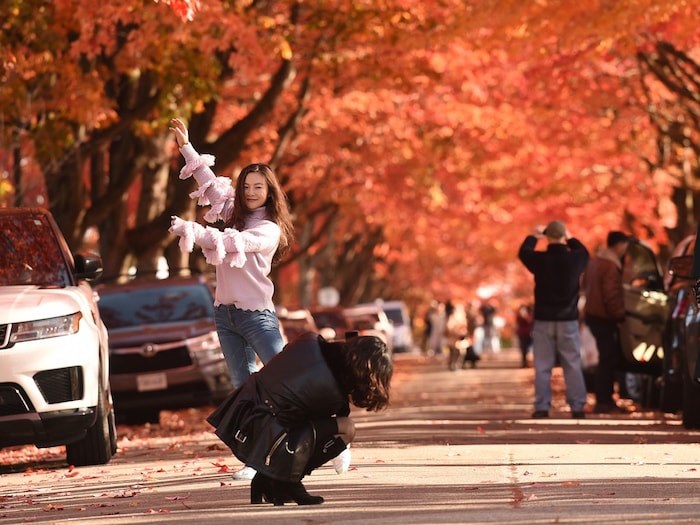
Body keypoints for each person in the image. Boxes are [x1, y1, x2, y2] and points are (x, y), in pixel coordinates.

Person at [168, 118, 294, 480]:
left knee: (288, 381)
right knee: (244, 391)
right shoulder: (233, 214)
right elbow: (207, 182)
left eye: (259, 187)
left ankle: (334, 439)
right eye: (246, 186)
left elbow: (226, 244)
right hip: (226, 316)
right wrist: (186, 146)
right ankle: (257, 459)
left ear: (270, 192)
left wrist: (191, 230)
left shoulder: (266, 230)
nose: (252, 192)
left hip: (258, 317)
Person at [206, 332, 393, 506]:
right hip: (263, 433)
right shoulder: (330, 392)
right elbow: (301, 430)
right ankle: (288, 481)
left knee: (312, 425)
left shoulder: (310, 340)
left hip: (242, 415)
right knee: (346, 428)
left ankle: (267, 479)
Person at [518, 220, 589, 419]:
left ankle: (542, 406)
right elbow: (584, 251)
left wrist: (534, 236)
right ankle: (577, 406)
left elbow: (524, 252)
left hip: (544, 319)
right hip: (568, 319)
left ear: (547, 236)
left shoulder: (540, 260)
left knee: (542, 365)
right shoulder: (576, 259)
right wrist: (570, 237)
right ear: (563, 236)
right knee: (572, 363)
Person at [582, 231, 631, 414]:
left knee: (606, 357)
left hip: (593, 315)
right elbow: (611, 294)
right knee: (608, 358)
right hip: (604, 317)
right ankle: (604, 400)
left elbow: (584, 284)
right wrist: (619, 315)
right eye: (625, 245)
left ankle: (604, 399)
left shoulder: (594, 262)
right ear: (619, 245)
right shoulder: (610, 265)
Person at [515, 304, 534, 368]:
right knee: (524, 349)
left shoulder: (531, 315)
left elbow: (530, 322)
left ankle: (533, 362)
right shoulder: (519, 316)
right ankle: (524, 362)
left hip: (530, 333)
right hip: (523, 334)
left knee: (531, 348)